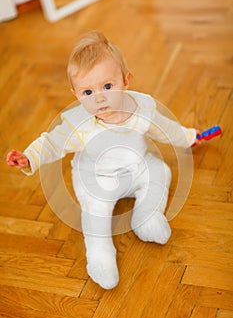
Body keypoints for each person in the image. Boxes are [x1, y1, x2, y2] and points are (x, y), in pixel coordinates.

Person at [7, 30, 199, 289]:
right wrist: (29, 158)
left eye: (108, 86)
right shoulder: (80, 125)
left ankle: (147, 216)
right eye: (88, 92)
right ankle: (100, 257)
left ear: (126, 81)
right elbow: (51, 142)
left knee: (160, 171)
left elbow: (166, 128)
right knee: (95, 212)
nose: (99, 98)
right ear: (75, 94)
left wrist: (188, 137)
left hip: (136, 166)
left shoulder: (142, 110)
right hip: (96, 179)